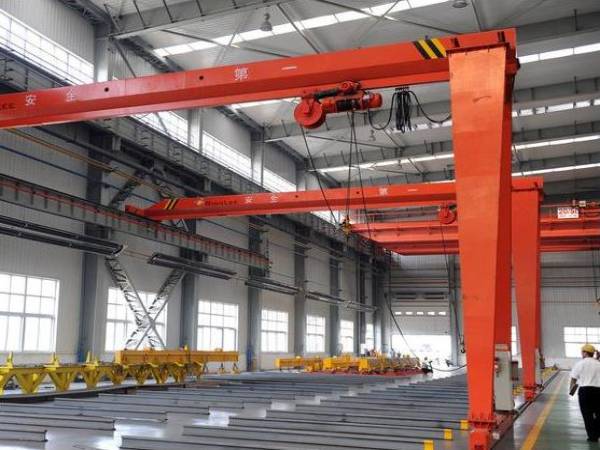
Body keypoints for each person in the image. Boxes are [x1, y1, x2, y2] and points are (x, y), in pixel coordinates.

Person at [570, 343, 600, 442]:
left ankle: (592, 437)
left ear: (585, 353)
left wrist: (571, 392)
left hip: (585, 392)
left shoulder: (580, 364)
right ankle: (597, 432)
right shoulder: (598, 363)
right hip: (598, 391)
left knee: (587, 415)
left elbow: (573, 379)